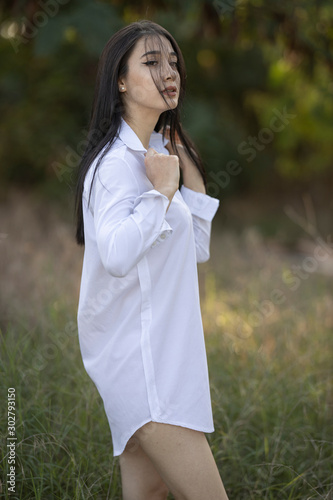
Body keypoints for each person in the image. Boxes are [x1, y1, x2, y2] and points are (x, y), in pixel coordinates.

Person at [75, 19, 229, 500]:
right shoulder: (117, 165)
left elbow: (188, 254)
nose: (170, 72)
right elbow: (119, 256)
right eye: (151, 62)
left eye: (174, 62)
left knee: (150, 494)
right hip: (145, 368)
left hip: (163, 359)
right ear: (120, 81)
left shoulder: (157, 152)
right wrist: (161, 193)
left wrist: (193, 193)